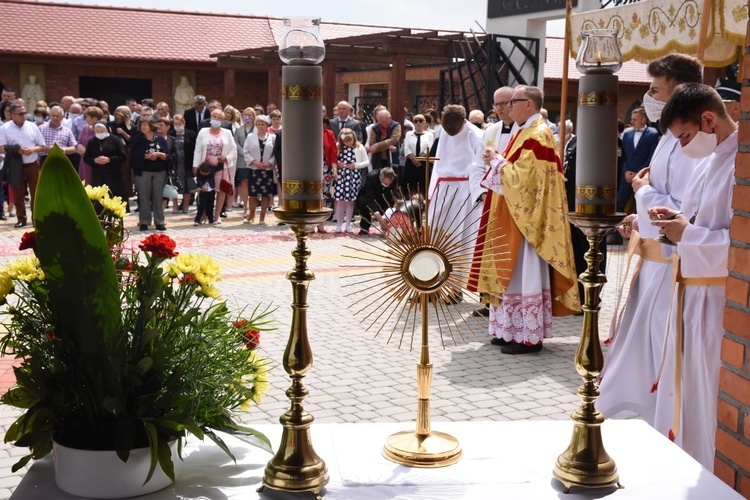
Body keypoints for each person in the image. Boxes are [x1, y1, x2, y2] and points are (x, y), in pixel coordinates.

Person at [597, 53, 704, 425]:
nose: (649, 95)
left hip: (670, 271)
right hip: (652, 262)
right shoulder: (668, 137)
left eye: (655, 88)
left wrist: (642, 194)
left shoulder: (694, 140)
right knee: (638, 350)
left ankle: (662, 426)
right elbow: (659, 194)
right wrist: (637, 217)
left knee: (659, 350)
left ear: (678, 89)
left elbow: (683, 208)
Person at [648, 83, 737, 471]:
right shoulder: (708, 161)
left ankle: (712, 476)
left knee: (710, 393)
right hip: (691, 294)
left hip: (719, 301)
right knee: (688, 392)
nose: (683, 147)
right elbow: (694, 216)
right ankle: (693, 467)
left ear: (708, 120)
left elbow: (740, 246)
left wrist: (688, 234)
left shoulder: (741, 164)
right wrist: (675, 223)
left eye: (685, 136)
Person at [469, 85, 580, 354]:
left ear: (528, 104)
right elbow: (516, 171)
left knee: (523, 273)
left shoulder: (539, 135)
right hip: (512, 215)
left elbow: (526, 180)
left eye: (513, 102)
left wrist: (497, 161)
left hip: (528, 221)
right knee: (511, 274)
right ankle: (509, 331)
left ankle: (528, 338)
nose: (507, 107)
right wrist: (497, 161)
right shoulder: (525, 131)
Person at [427, 105, 485, 285]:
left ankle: (455, 285)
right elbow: (437, 162)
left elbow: (481, 164)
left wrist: (479, 192)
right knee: (437, 235)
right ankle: (433, 279)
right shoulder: (444, 132)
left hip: (465, 189)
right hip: (443, 187)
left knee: (461, 235)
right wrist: (432, 192)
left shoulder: (474, 134)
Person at [0, 101, 45, 227]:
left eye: (25, 113)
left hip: (32, 163)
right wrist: (16, 149)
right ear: (12, 114)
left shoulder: (32, 126)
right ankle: (21, 219)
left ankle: (36, 219)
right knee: (18, 192)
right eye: (20, 113)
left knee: (36, 192)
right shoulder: (4, 128)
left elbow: (41, 145)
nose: (23, 115)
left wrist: (32, 149)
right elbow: (1, 147)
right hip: (15, 163)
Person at [193, 108, 237, 226]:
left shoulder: (227, 133)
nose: (216, 119)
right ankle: (201, 215)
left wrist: (226, 158)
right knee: (203, 191)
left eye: (218, 117)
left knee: (220, 190)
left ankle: (216, 215)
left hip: (221, 166)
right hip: (205, 167)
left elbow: (233, 149)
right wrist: (195, 165)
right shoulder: (203, 131)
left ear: (222, 120)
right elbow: (197, 149)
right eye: (214, 117)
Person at [616, 107, 659, 214]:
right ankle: (616, 229)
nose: (631, 122)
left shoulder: (653, 134)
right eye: (632, 119)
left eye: (635, 119)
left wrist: (638, 173)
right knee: (618, 205)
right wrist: (626, 171)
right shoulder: (627, 133)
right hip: (626, 176)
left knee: (641, 206)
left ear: (643, 120)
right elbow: (623, 154)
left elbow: (652, 156)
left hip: (642, 177)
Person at [130, 119, 170, 231]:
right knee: (144, 197)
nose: (143, 127)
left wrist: (159, 154)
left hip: (159, 171)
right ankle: (144, 221)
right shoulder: (138, 140)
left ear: (151, 126)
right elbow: (132, 156)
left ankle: (159, 222)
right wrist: (144, 156)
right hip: (143, 171)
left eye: (145, 125)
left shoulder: (160, 139)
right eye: (141, 125)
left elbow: (168, 156)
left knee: (158, 197)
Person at [333, 128, 368, 233]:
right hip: (340, 177)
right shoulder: (338, 146)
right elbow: (332, 159)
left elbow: (366, 161)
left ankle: (348, 224)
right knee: (339, 201)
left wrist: (356, 165)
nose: (347, 142)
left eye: (349, 140)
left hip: (353, 177)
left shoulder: (359, 147)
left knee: (350, 202)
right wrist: (337, 164)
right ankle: (339, 224)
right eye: (345, 141)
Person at [83, 121, 127, 205]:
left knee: (115, 198)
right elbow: (86, 158)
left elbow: (122, 156)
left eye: (101, 130)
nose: (99, 132)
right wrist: (94, 160)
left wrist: (109, 159)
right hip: (98, 176)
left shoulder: (115, 140)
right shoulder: (92, 141)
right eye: (97, 131)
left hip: (114, 175)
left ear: (106, 129)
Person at [242, 115, 275, 226]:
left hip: (267, 169)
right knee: (253, 194)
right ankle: (251, 215)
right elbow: (245, 151)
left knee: (266, 194)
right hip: (254, 169)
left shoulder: (272, 137)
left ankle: (262, 217)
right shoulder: (250, 137)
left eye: (263, 124)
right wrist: (255, 162)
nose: (261, 126)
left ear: (267, 126)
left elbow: (275, 153)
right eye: (259, 124)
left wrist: (269, 163)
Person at [356, 166, 398, 235]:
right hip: (370, 197)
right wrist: (377, 214)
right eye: (386, 183)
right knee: (363, 202)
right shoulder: (371, 177)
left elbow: (393, 193)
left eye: (389, 184)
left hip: (385, 198)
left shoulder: (395, 178)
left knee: (391, 209)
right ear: (381, 178)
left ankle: (390, 228)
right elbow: (369, 197)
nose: (388, 185)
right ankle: (364, 227)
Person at [170, 114, 197, 214]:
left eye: (179, 123)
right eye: (175, 124)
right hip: (175, 164)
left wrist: (195, 164)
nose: (177, 125)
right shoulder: (171, 134)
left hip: (187, 163)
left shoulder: (191, 134)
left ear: (184, 123)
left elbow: (196, 149)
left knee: (187, 186)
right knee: (174, 185)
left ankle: (185, 206)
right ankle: (175, 206)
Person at [402, 114, 435, 195]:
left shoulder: (429, 134)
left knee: (424, 185)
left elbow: (429, 147)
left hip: (423, 162)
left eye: (420, 121)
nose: (418, 123)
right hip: (411, 162)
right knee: (410, 184)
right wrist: (413, 159)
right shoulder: (409, 134)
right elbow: (406, 147)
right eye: (416, 121)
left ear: (425, 123)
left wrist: (419, 159)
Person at [235, 107, 256, 219]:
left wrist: (251, 153)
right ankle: (245, 208)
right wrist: (244, 152)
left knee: (253, 184)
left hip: (254, 159)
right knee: (244, 183)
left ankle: (253, 209)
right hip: (243, 160)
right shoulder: (238, 130)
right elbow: (236, 143)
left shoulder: (257, 129)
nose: (248, 117)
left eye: (250, 114)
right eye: (246, 114)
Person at [76, 106, 104, 185]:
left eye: (88, 117)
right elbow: (79, 142)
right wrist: (86, 152)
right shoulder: (85, 128)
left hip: (96, 161)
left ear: (95, 118)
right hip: (84, 160)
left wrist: (88, 153)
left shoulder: (103, 129)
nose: (86, 119)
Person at [193, 161, 216, 225]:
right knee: (201, 206)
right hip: (203, 191)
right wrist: (201, 186)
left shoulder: (212, 171)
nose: (205, 174)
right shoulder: (199, 172)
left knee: (211, 206)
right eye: (203, 173)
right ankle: (197, 220)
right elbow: (198, 180)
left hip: (211, 190)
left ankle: (211, 219)